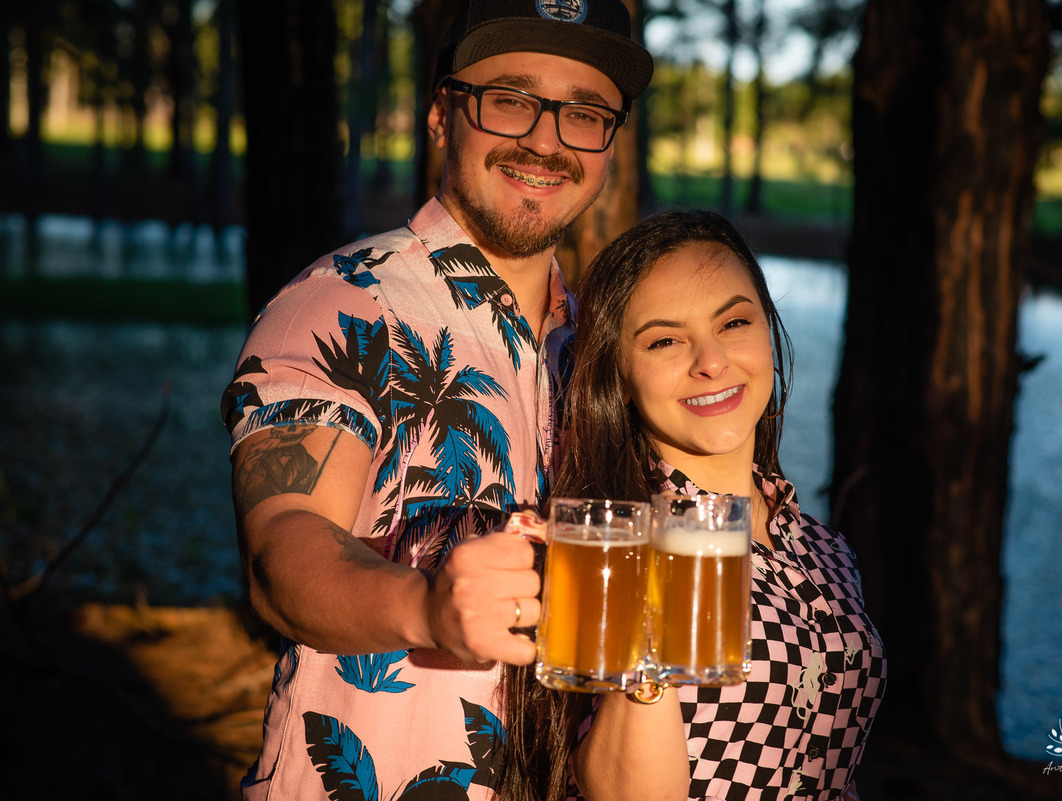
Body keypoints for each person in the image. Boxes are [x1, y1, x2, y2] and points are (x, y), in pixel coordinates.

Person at [218, 1, 652, 798]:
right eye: (512, 99)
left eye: (585, 113)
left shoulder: (598, 354)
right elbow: (284, 548)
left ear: (610, 145)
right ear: (442, 114)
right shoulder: (344, 301)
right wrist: (426, 607)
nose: (548, 140)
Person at [541, 209, 887, 800]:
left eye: (734, 323)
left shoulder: (823, 547)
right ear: (619, 373)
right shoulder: (614, 541)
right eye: (666, 339)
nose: (711, 361)